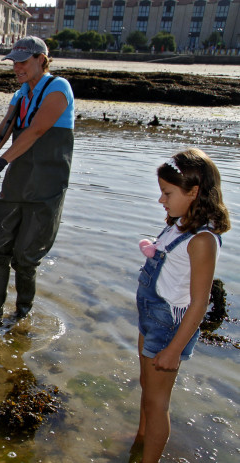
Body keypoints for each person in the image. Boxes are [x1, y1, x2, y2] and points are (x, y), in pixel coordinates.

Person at [130, 149, 230, 463]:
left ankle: (150, 457)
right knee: (147, 386)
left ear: (194, 192)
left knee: (158, 402)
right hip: (151, 319)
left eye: (167, 193)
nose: (161, 200)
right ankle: (141, 440)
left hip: (169, 327)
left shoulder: (202, 240)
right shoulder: (179, 224)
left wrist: (174, 350)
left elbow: (200, 303)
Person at [0, 36, 75, 323]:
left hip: (46, 187)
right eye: (14, 62)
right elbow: (3, 130)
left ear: (41, 59)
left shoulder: (58, 88)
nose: (16, 67)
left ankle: (22, 317)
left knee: (26, 258)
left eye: (23, 62)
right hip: (17, 183)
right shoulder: (20, 96)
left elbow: (37, 131)